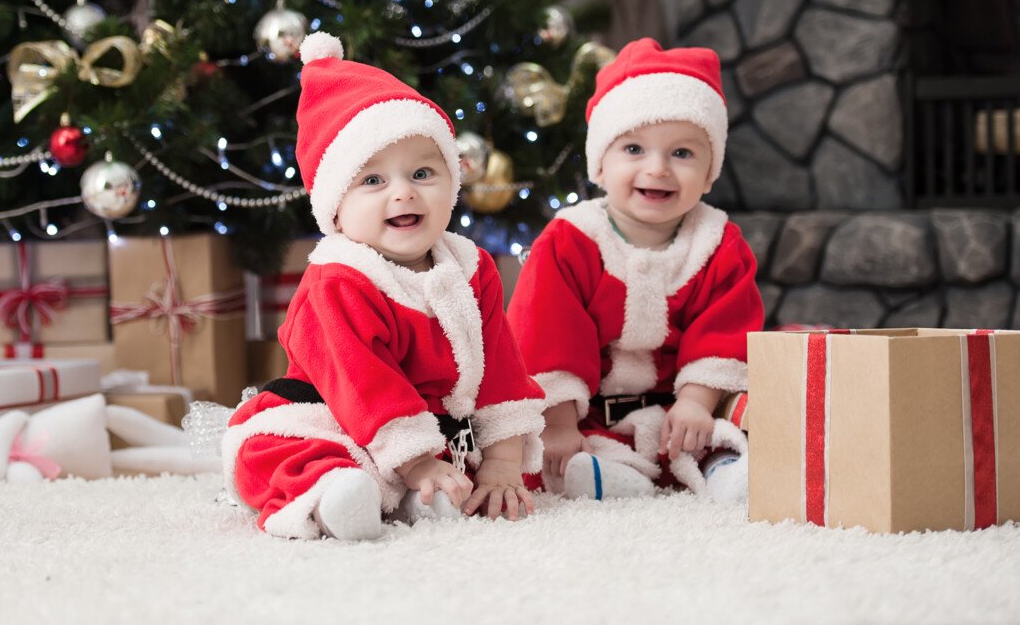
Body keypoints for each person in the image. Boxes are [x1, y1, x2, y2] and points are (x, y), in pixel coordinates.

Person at [223, 32, 546, 541]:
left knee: (500, 473)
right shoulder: (338, 279)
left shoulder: (470, 267)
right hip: (339, 417)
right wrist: (417, 463)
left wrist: (504, 460)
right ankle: (334, 499)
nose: (403, 192)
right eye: (372, 181)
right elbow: (363, 385)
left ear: (452, 184)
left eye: (422, 172)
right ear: (335, 204)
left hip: (433, 433)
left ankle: (428, 491)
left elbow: (501, 367)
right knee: (280, 451)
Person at [507, 37, 761, 503]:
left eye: (682, 154)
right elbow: (544, 335)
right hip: (589, 417)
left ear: (710, 172)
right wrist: (560, 423)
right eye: (634, 149)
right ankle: (601, 474)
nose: (658, 169)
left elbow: (725, 332)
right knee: (556, 452)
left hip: (683, 413)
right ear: (600, 164)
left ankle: (722, 467)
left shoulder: (718, 243)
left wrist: (696, 400)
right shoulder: (571, 240)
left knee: (741, 415)